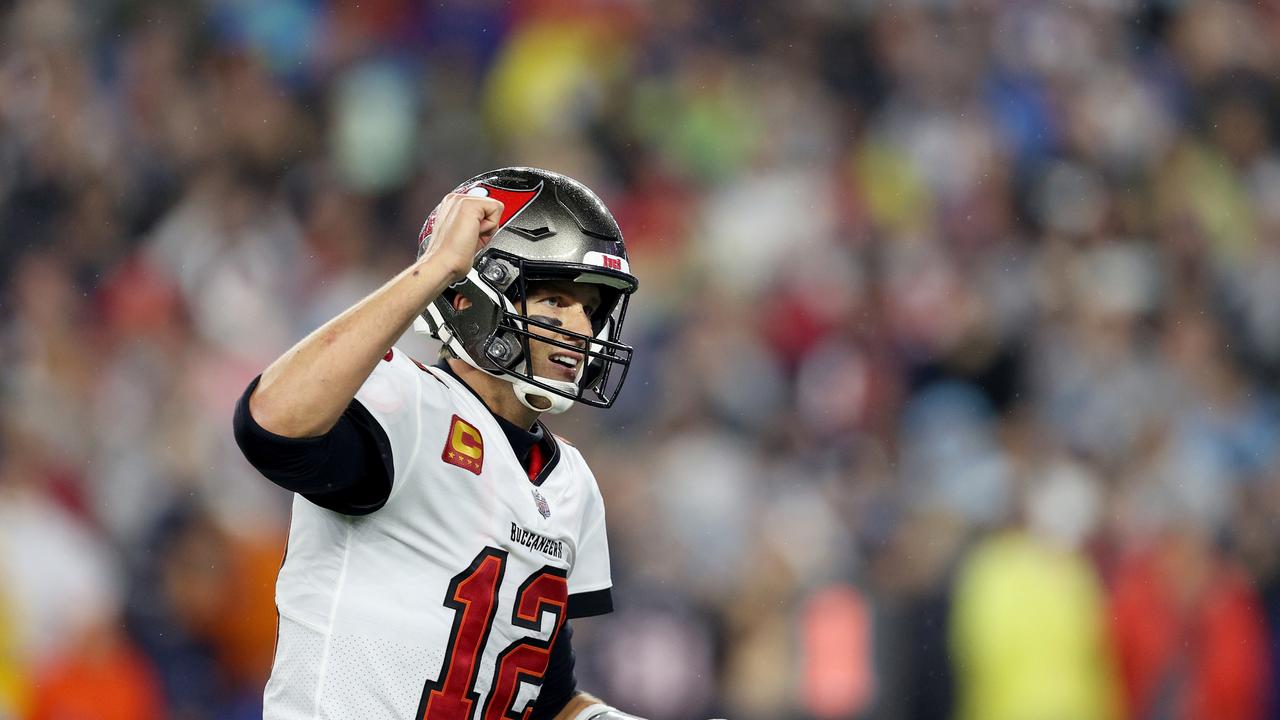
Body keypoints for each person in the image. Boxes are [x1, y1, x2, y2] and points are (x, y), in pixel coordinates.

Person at [233, 167, 648, 719]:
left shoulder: (570, 482)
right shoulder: (408, 402)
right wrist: (436, 268)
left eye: (591, 308)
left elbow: (543, 701)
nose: (580, 326)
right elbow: (268, 424)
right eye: (553, 298)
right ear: (467, 297)